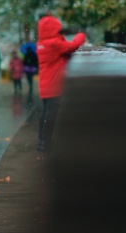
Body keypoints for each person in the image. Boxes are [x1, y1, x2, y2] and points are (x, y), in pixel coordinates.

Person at [36, 15, 86, 151]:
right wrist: (81, 35)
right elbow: (72, 46)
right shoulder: (54, 43)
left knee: (45, 114)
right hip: (54, 85)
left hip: (45, 84)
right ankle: (45, 143)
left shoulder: (42, 43)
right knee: (51, 115)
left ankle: (41, 141)